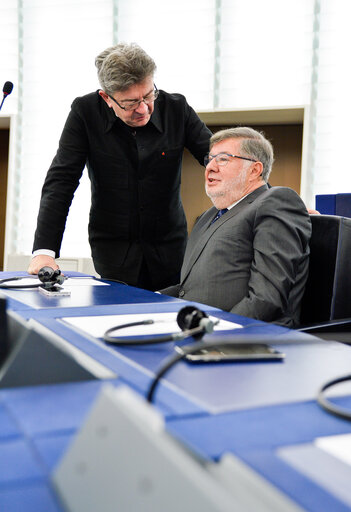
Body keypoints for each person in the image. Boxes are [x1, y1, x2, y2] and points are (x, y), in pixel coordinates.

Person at [27, 43, 212, 290]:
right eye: (131, 102)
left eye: (148, 95)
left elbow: (216, 157)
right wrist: (44, 250)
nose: (144, 109)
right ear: (107, 98)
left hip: (170, 248)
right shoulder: (85, 113)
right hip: (114, 250)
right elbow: (62, 180)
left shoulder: (176, 109)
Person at [160, 127, 312, 327]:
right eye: (210, 159)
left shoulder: (276, 202)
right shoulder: (209, 215)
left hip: (247, 337)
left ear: (254, 170)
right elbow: (189, 288)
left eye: (223, 159)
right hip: (194, 325)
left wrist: (216, 333)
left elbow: (266, 299)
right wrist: (143, 300)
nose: (210, 167)